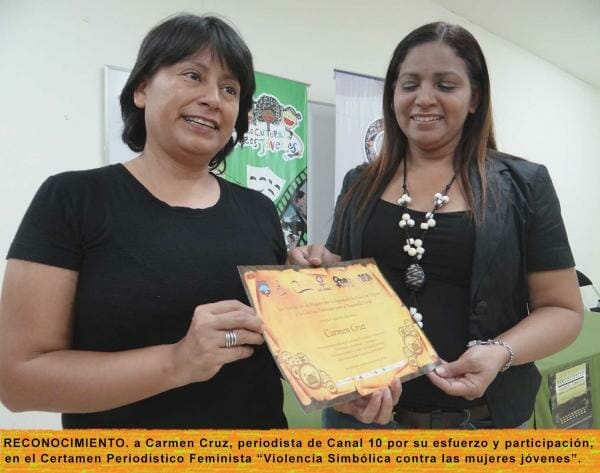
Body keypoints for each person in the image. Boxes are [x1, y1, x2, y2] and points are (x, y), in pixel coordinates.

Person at [288, 21, 583, 429]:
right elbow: (339, 282)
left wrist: (500, 352)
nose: (424, 98)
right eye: (409, 84)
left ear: (474, 98)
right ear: (393, 95)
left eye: (445, 85)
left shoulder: (523, 185)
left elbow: (563, 310)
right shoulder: (360, 183)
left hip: (481, 425)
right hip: (362, 420)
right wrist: (312, 271)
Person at [0, 14, 288, 429]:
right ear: (141, 89)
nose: (213, 98)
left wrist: (344, 383)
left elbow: (271, 350)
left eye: (230, 89)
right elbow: (18, 381)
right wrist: (177, 361)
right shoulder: (72, 199)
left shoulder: (259, 210)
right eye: (193, 76)